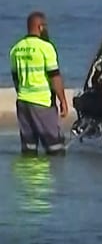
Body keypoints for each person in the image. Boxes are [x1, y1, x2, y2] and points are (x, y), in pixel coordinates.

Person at [9, 11, 69, 156]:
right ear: (40, 27)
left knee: (29, 150)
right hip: (42, 103)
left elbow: (16, 79)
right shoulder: (46, 48)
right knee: (56, 150)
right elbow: (55, 77)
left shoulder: (16, 49)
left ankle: (30, 177)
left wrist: (23, 95)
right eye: (45, 27)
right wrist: (63, 101)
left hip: (23, 102)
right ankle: (53, 178)